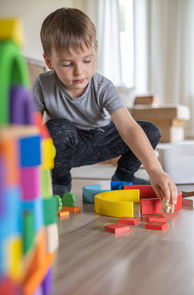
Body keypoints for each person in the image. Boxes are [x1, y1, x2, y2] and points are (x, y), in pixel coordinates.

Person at [33, 7, 177, 206]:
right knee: (56, 128)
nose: (79, 71)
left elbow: (127, 127)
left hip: (101, 138)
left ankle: (123, 178)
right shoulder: (42, 85)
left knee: (149, 131)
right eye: (67, 64)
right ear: (49, 61)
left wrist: (155, 170)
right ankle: (60, 187)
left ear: (96, 52)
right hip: (67, 147)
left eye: (87, 60)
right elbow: (31, 128)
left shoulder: (103, 86)